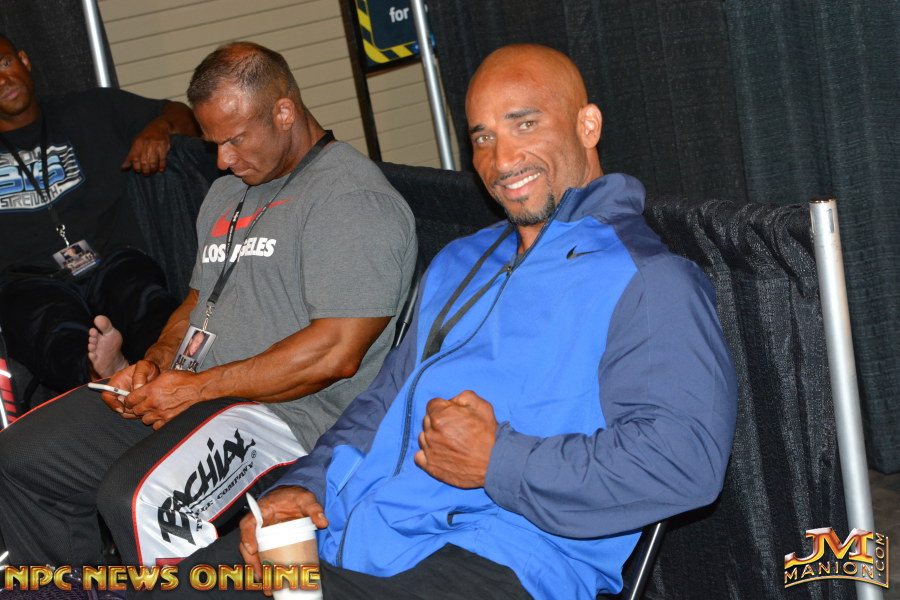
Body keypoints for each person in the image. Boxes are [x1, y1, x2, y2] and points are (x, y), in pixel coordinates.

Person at [153, 43, 737, 600]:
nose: (501, 161)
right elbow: (382, 403)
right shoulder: (460, 261)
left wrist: (499, 461)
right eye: (483, 137)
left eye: (525, 124)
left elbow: (684, 462)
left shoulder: (649, 280)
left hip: (501, 558)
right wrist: (306, 485)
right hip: (356, 533)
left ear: (588, 125)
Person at [0, 41, 416, 568]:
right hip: (199, 393)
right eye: (215, 143)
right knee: (22, 457)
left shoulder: (352, 200)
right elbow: (197, 304)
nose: (222, 160)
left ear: (284, 112)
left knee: (137, 499)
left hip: (288, 420)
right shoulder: (227, 193)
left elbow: (336, 353)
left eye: (235, 139)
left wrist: (196, 388)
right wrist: (157, 361)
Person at [0, 34, 203, 399]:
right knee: (49, 326)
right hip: (31, 281)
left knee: (141, 298)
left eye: (5, 64)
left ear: (24, 61)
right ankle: (102, 375)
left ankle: (174, 373)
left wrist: (160, 128)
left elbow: (182, 115)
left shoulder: (91, 109)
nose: (3, 80)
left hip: (111, 260)